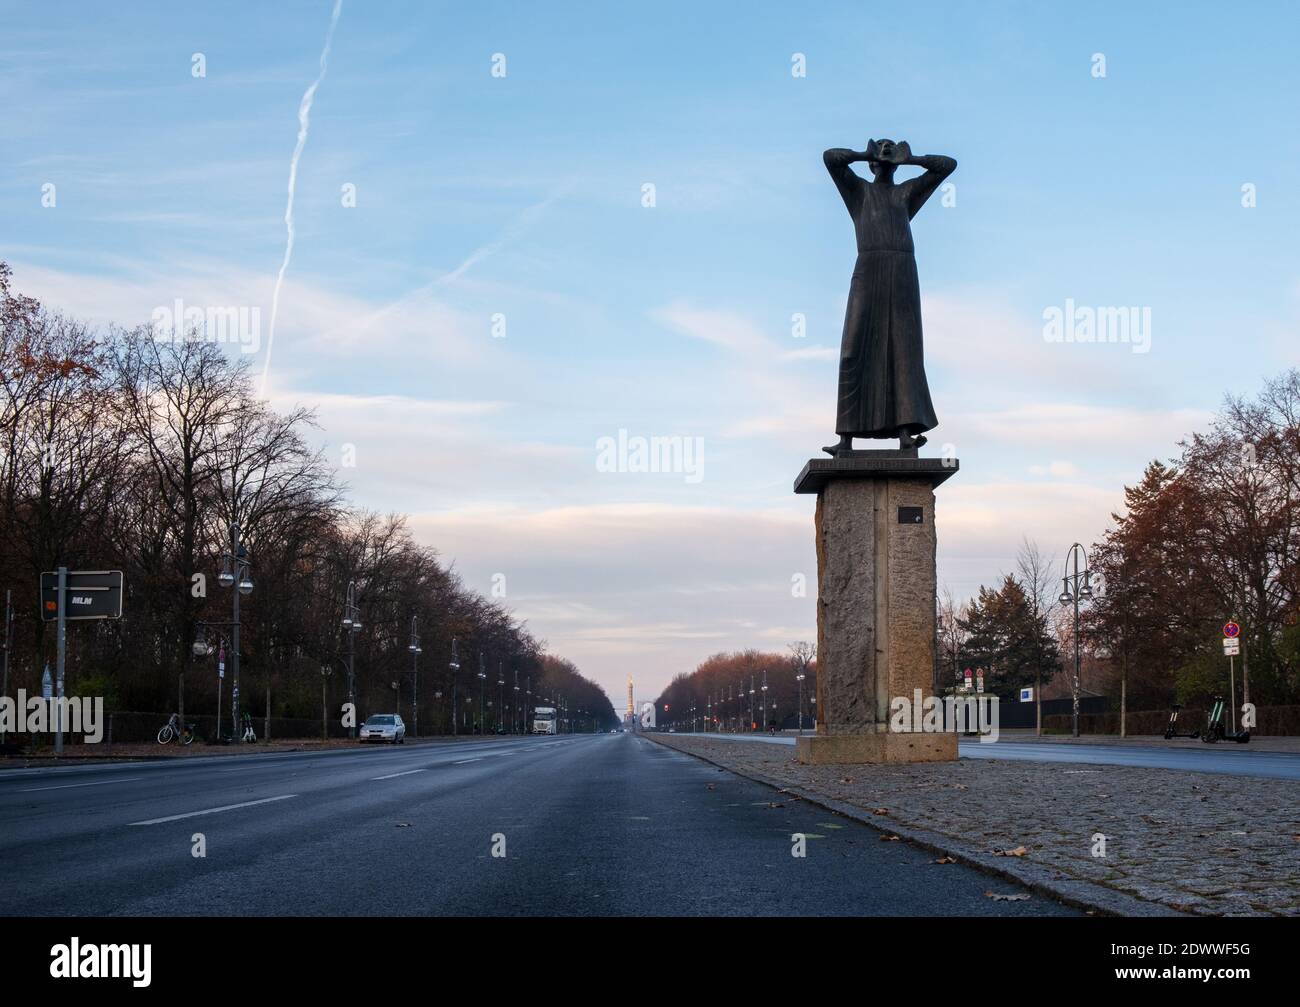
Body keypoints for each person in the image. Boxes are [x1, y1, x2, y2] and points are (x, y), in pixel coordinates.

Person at [822, 138, 956, 455]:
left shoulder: (905, 193)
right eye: (879, 149)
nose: (883, 152)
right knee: (854, 348)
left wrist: (911, 159)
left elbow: (947, 165)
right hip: (869, 267)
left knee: (904, 348)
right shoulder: (859, 192)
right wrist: (862, 154)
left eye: (888, 148)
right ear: (871, 161)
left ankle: (906, 433)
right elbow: (830, 159)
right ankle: (846, 439)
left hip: (902, 270)